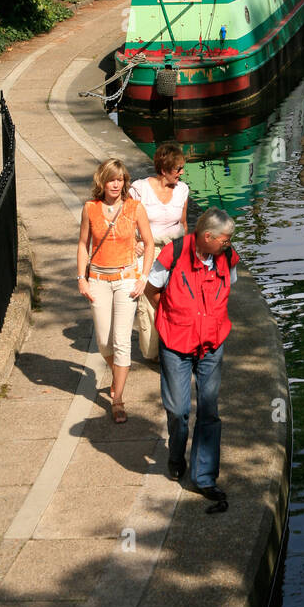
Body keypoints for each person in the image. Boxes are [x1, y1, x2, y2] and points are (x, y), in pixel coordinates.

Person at [144, 207, 239, 511]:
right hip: (176, 343)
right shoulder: (173, 254)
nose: (229, 243)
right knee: (178, 410)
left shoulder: (227, 257)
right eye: (225, 239)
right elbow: (151, 289)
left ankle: (204, 477)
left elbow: (228, 288)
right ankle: (176, 454)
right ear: (207, 236)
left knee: (209, 410)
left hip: (212, 344)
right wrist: (173, 317)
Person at [77, 159, 154, 423]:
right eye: (111, 179)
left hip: (125, 280)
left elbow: (149, 242)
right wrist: (81, 279)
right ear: (102, 181)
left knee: (122, 342)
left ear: (125, 183)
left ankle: (118, 398)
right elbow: (82, 244)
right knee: (103, 341)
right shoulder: (90, 208)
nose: (116, 184)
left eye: (120, 180)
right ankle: (117, 372)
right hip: (98, 279)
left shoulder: (135, 208)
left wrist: (143, 277)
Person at [130, 143, 189, 362]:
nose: (182, 173)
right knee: (150, 301)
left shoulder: (182, 190)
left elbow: (182, 222)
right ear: (164, 170)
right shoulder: (139, 189)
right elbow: (126, 220)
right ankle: (154, 351)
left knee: (176, 299)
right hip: (149, 250)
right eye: (178, 169)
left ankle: (174, 347)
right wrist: (131, 242)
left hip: (174, 249)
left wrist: (188, 250)